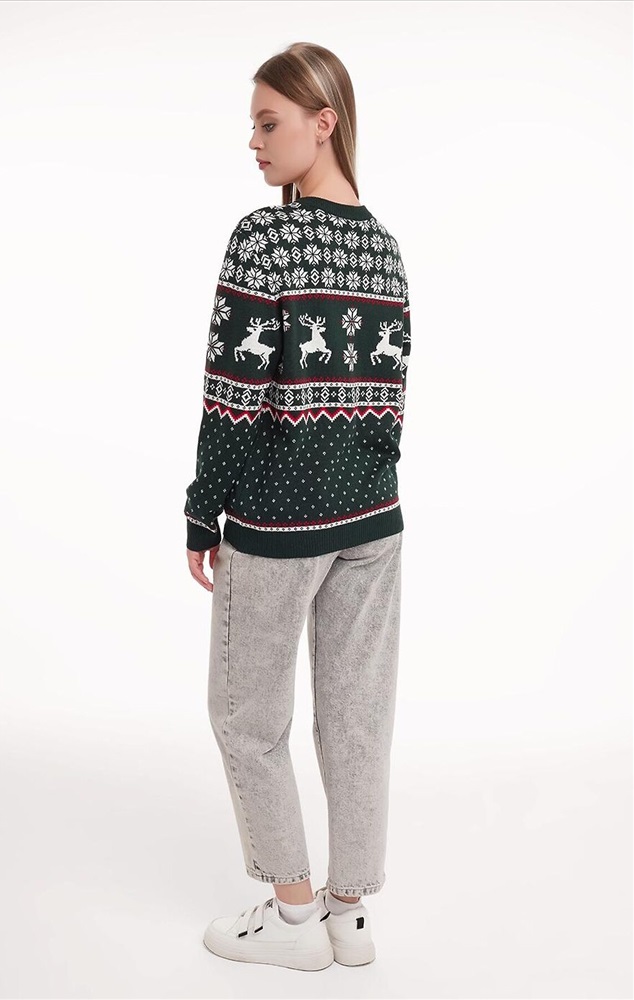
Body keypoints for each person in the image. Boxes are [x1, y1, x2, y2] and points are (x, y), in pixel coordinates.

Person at [184, 42, 411, 971]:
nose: (254, 141)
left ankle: (289, 917)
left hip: (281, 524)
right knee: (357, 719)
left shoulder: (266, 239)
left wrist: (204, 509)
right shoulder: (385, 247)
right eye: (253, 124)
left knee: (248, 719)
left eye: (268, 122)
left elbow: (232, 391)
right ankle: (348, 916)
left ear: (325, 122)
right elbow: (393, 403)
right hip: (375, 523)